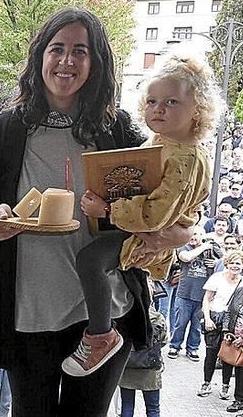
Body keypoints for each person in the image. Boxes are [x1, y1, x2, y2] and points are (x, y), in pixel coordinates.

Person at [0, 8, 192, 417]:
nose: (66, 61)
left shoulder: (121, 131)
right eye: (57, 49)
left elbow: (168, 200)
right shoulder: (1, 132)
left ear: (97, 64)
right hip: (28, 307)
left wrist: (179, 232)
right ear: (39, 57)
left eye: (80, 51)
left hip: (102, 312)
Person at [68, 54, 217, 376]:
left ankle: (100, 335)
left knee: (90, 261)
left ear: (198, 110)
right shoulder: (166, 143)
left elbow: (157, 214)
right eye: (151, 101)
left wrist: (106, 209)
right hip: (145, 230)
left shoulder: (183, 157)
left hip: (143, 235)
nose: (158, 109)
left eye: (171, 101)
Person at [170, 226, 221, 359]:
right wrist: (203, 247)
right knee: (180, 323)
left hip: (203, 296)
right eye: (192, 234)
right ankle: (174, 346)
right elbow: (186, 258)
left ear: (202, 236)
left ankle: (192, 348)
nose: (194, 237)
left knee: (197, 326)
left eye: (197, 234)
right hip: (184, 294)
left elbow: (223, 263)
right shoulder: (184, 247)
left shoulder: (212, 250)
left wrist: (216, 262)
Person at [197, 251, 243, 398]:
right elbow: (206, 299)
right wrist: (207, 318)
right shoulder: (217, 278)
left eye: (238, 263)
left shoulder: (242, 282)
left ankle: (225, 385)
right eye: (232, 263)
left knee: (227, 353)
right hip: (215, 317)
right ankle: (206, 383)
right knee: (211, 352)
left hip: (232, 321)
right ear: (226, 264)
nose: (235, 266)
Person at [118, 307, 168, 417]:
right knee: (153, 408)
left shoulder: (124, 316)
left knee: (127, 405)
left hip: (128, 366)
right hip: (150, 368)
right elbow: (164, 341)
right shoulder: (158, 317)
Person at [223, 278, 243, 417]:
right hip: (235, 337)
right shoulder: (240, 291)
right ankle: (239, 400)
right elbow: (229, 312)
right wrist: (226, 331)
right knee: (240, 370)